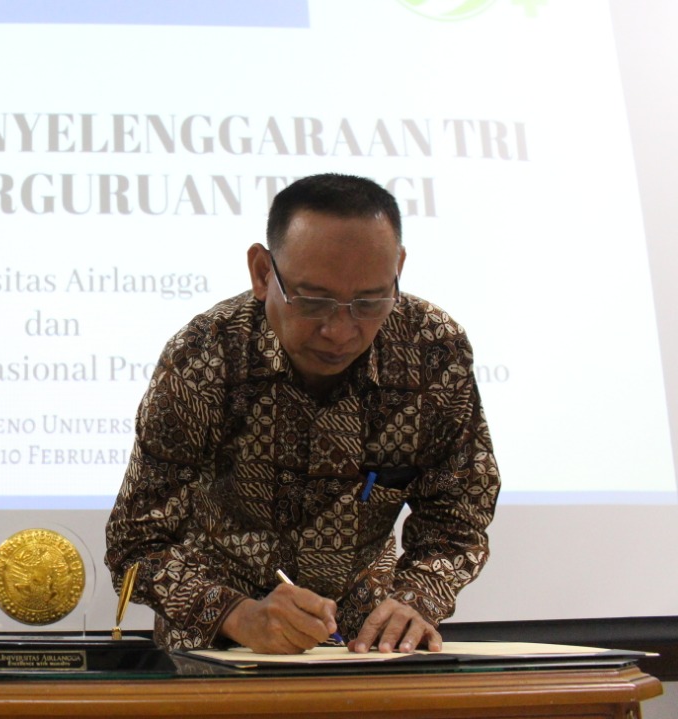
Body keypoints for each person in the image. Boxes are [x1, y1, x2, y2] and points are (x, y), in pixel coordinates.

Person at [104, 173, 499, 655]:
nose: (339, 330)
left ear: (398, 268)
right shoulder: (205, 358)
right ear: (262, 272)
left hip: (367, 646)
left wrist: (415, 599)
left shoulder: (431, 349)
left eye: (370, 302)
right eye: (313, 300)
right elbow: (136, 544)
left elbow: (458, 518)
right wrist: (236, 615)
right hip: (221, 652)